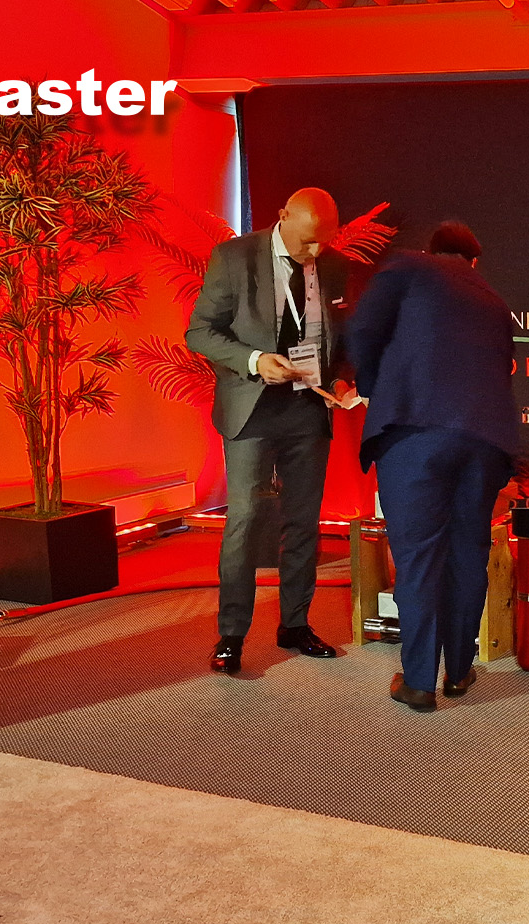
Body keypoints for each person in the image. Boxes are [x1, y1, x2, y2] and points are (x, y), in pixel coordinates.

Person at [186, 188, 358, 675]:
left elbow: (339, 339)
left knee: (303, 521)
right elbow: (199, 331)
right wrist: (256, 360)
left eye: (324, 242)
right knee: (244, 519)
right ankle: (231, 634)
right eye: (307, 244)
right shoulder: (235, 258)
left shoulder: (334, 264)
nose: (316, 253)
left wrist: (342, 376)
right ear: (282, 217)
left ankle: (295, 624)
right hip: (252, 407)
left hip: (308, 409)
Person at [347, 223, 518, 711]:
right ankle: (461, 672)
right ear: (474, 261)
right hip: (485, 441)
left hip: (416, 432)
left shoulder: (408, 265)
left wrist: (375, 388)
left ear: (433, 249)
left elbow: (362, 329)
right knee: (467, 551)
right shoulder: (494, 300)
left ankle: (420, 680)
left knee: (419, 555)